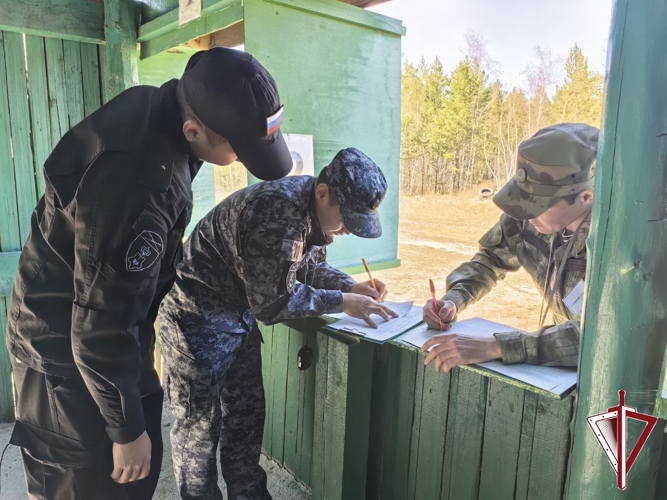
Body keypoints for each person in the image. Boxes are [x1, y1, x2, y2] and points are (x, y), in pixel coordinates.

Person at [5, 47, 292, 500]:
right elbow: (98, 327)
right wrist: (124, 432)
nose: (241, 159)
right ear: (193, 129)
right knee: (85, 481)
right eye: (239, 149)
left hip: (103, 331)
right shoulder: (140, 186)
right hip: (63, 347)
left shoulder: (162, 106)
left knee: (136, 466)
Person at [158, 147, 396, 499]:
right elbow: (272, 303)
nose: (347, 229)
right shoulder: (277, 210)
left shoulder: (313, 212)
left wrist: (349, 284)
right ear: (323, 192)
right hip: (195, 320)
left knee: (245, 420)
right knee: (199, 433)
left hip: (236, 317)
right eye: (346, 217)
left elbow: (303, 266)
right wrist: (343, 302)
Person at [422, 123, 599, 372]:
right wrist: (454, 299)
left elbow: (599, 335)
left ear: (586, 197)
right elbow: (491, 258)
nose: (527, 214)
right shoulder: (528, 215)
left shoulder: (617, 247)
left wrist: (496, 347)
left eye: (538, 205)